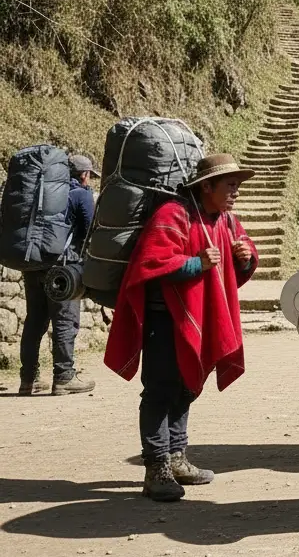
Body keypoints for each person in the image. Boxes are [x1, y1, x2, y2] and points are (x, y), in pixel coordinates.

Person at [103, 154, 258, 502]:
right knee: (160, 389)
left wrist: (245, 256)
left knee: (187, 384)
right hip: (166, 318)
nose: (236, 190)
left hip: (203, 316)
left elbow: (240, 258)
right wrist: (194, 263)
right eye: (229, 184)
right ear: (207, 186)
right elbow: (151, 263)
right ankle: (156, 466)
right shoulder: (172, 214)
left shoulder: (226, 220)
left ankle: (177, 457)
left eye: (237, 184)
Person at [18, 154, 99, 396]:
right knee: (65, 320)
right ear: (84, 175)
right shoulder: (81, 194)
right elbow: (88, 230)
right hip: (63, 269)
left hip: (33, 265)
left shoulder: (40, 191)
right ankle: (64, 376)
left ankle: (28, 379)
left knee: (34, 321)